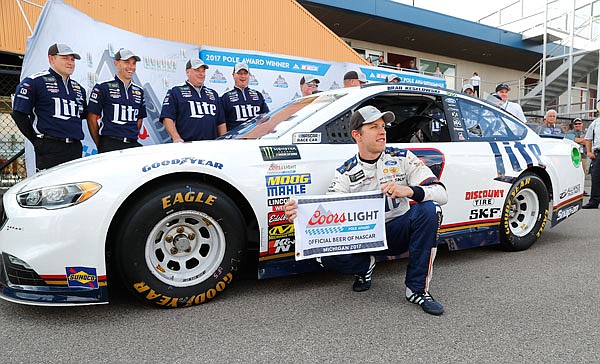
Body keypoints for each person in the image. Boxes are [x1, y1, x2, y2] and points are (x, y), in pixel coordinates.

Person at [284, 105, 448, 315]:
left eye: (383, 126)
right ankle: (364, 267)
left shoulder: (402, 157)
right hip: (362, 239)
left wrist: (408, 190)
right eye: (373, 127)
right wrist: (299, 217)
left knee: (430, 210)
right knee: (321, 251)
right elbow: (328, 216)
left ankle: (416, 290)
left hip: (396, 232)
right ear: (357, 135)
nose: (382, 131)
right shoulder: (345, 172)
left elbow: (442, 194)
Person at [12, 43, 88, 170]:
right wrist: (36, 140)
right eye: (65, 58)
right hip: (50, 146)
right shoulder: (34, 81)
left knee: (74, 187)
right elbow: (19, 114)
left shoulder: (79, 88)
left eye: (72, 59)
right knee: (50, 188)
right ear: (51, 59)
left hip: (75, 147)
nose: (70, 63)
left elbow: (83, 114)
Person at [87, 48, 146, 152]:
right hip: (110, 144)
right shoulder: (103, 87)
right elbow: (91, 118)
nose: (131, 67)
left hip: (132, 145)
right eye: (126, 62)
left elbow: (139, 119)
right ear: (116, 63)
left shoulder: (139, 91)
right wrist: (100, 144)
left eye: (133, 63)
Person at [159, 58, 226, 142]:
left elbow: (221, 122)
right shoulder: (176, 91)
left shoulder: (213, 94)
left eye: (203, 71)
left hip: (210, 145)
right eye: (197, 70)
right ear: (187, 72)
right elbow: (167, 117)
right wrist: (176, 137)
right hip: (187, 144)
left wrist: (224, 141)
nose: (201, 74)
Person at [221, 62, 269, 131]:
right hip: (234, 139)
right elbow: (221, 123)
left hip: (255, 139)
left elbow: (266, 118)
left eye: (245, 73)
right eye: (240, 73)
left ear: (249, 75)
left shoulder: (258, 95)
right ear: (233, 75)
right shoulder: (225, 97)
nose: (243, 76)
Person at [583, 114, 600, 208]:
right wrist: (589, 152)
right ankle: (594, 202)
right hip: (598, 153)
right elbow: (588, 138)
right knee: (596, 178)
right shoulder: (596, 122)